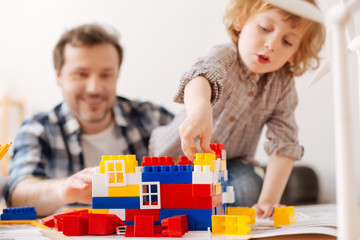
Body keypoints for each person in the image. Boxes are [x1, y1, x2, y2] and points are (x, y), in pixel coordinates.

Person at [150, 0, 325, 218]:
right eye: (265, 28)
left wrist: (269, 200)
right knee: (155, 191)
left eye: (287, 42)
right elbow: (200, 77)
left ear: (294, 54)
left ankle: (213, 211)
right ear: (241, 22)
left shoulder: (283, 86)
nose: (272, 44)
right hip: (173, 158)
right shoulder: (225, 56)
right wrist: (201, 108)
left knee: (249, 185)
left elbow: (285, 143)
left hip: (227, 166)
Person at [5, 24, 174, 216]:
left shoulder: (153, 118)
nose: (94, 88)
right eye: (81, 74)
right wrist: (64, 189)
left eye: (106, 75)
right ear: (59, 76)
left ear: (117, 75)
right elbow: (17, 194)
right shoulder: (38, 128)